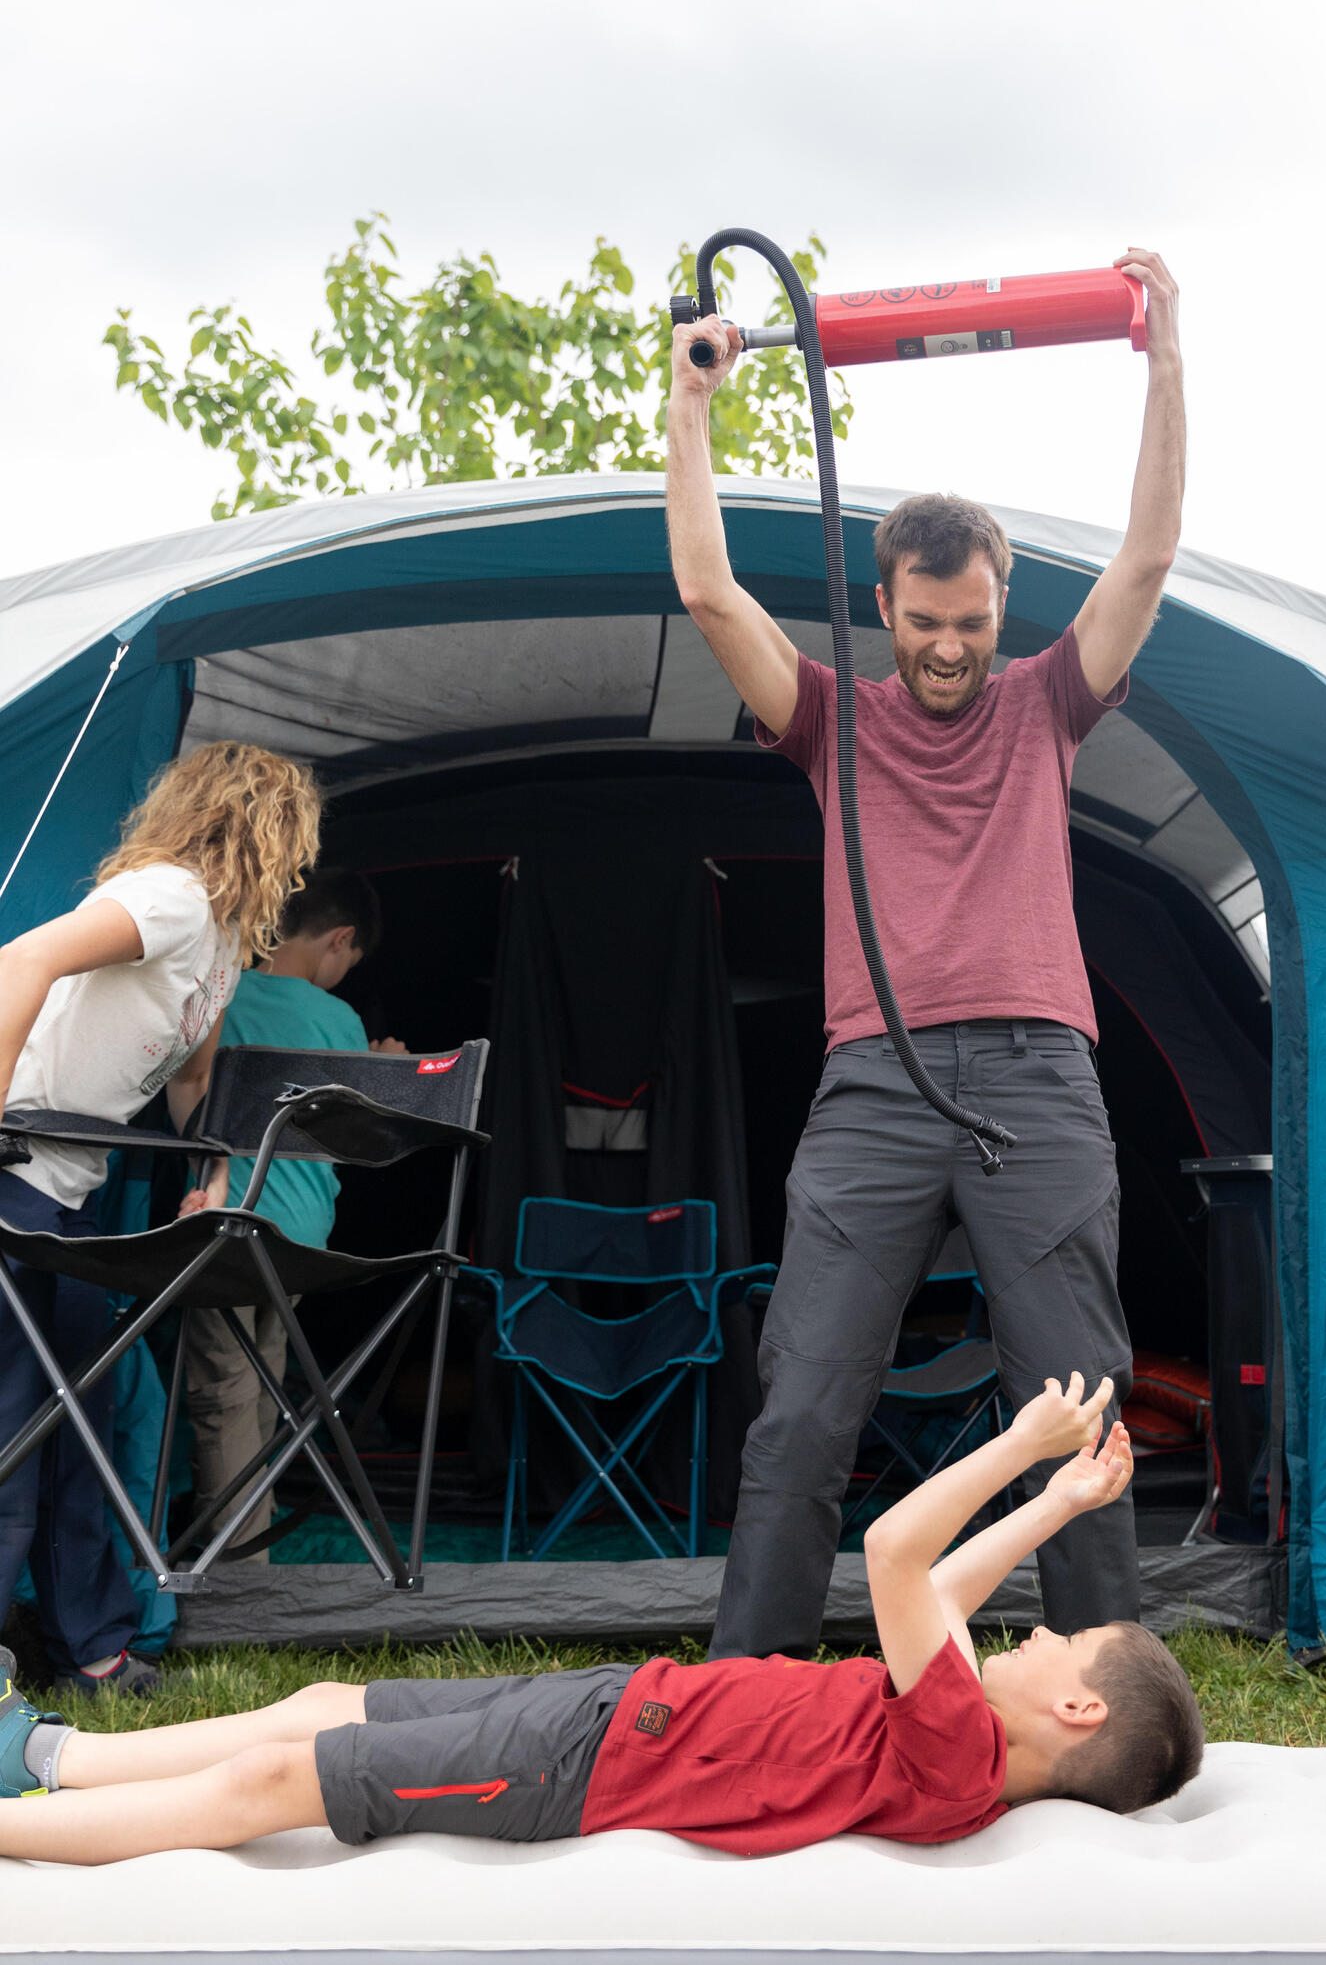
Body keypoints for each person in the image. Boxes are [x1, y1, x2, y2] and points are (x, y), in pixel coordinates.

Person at [665, 249, 1187, 1659]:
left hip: (1036, 1080)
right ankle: (743, 1698)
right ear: (883, 605)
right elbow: (712, 594)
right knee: (807, 1396)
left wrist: (1165, 353)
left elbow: (1145, 559)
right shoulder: (833, 715)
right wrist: (693, 402)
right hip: (876, 1085)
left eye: (971, 623)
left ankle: (1100, 1689)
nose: (949, 648)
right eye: (925, 620)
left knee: (1076, 1399)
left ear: (996, 610)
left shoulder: (1047, 706)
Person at [0, 1373, 1202, 1861]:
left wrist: (1013, 1446)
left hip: (587, 1773)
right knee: (327, 1701)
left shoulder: (963, 1757)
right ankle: (51, 1754)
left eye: (1061, 1643)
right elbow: (939, 1599)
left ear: (1077, 1705)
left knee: (282, 1777)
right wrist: (1058, 1499)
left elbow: (899, 1555)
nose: (1036, 1636)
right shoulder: (962, 1733)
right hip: (617, 1710)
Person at [0, 742, 321, 1693]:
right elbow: (25, 954)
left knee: (82, 1430)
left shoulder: (222, 942)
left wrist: (210, 1166)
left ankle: (92, 1653)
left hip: (74, 1196)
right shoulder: (171, 896)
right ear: (265, 827)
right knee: (16, 1428)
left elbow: (192, 1076)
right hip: (15, 1177)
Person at [177, 868, 407, 1557]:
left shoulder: (226, 993)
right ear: (340, 940)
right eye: (350, 961)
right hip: (304, 1237)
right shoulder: (340, 1020)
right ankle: (249, 1548)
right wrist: (386, 1067)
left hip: (224, 1223)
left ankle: (236, 1554)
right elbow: (367, 1136)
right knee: (265, 1382)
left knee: (223, 1388)